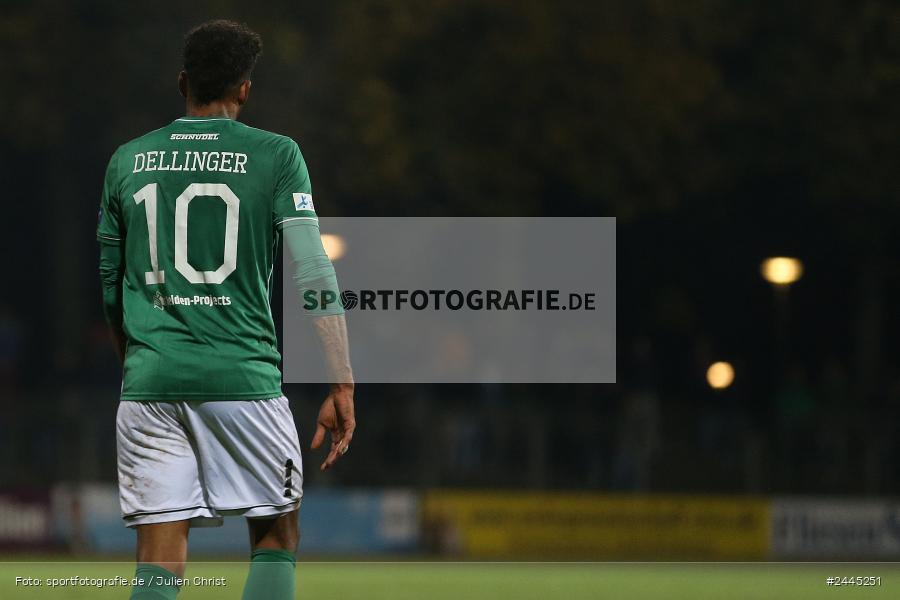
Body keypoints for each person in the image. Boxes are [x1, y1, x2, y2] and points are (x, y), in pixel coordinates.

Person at [96, 20, 355, 600]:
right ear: (244, 89)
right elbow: (313, 269)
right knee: (276, 533)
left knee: (158, 558)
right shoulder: (278, 156)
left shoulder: (127, 161)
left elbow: (111, 286)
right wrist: (341, 380)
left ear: (182, 82)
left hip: (150, 383)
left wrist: (136, 365)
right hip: (243, 378)